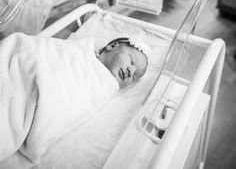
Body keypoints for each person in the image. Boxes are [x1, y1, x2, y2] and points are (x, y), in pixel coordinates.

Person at [0, 32, 148, 163]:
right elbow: (44, 50)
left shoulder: (102, 86)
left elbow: (67, 102)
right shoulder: (78, 50)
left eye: (134, 76)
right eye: (131, 61)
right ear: (112, 46)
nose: (130, 70)